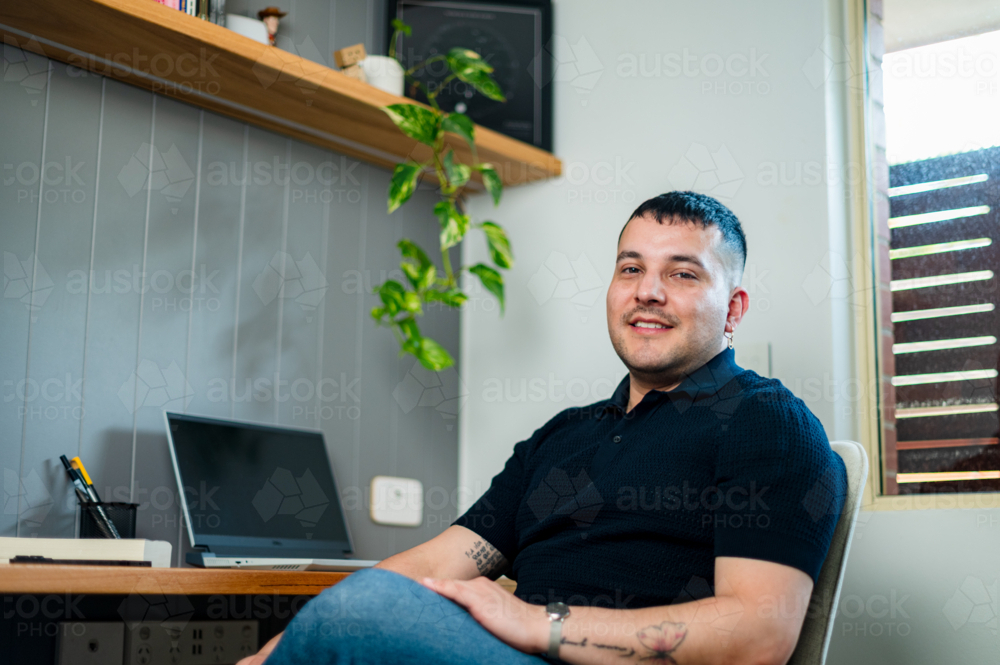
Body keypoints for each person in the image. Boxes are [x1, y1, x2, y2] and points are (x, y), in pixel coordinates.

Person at [238, 191, 847, 665]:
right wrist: (282, 648)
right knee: (368, 601)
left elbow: (759, 636)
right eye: (630, 268)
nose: (648, 292)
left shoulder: (767, 422)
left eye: (683, 274)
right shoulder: (562, 437)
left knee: (369, 610)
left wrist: (538, 622)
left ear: (734, 309)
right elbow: (434, 563)